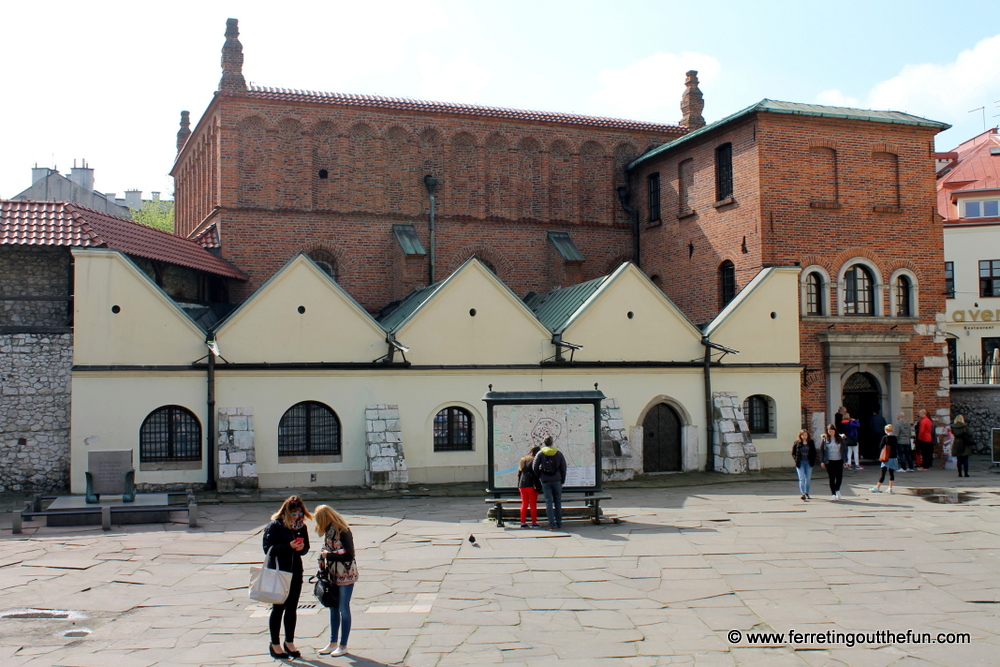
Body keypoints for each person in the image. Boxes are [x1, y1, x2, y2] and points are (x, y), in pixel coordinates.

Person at [263, 496, 311, 660]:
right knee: (278, 608)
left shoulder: (301, 527)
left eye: (300, 513)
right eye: (294, 513)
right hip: (278, 571)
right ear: (286, 512)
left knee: (292, 608)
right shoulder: (275, 526)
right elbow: (268, 548)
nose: (298, 516)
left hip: (295, 570)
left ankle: (289, 642)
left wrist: (301, 548)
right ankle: (274, 644)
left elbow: (306, 549)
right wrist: (288, 546)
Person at [314, 505, 359, 657]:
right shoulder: (329, 531)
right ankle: (332, 642)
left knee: (343, 608)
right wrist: (322, 559)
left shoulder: (343, 531)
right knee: (332, 607)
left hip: (346, 574)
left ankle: (343, 645)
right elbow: (325, 549)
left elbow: (350, 555)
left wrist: (329, 556)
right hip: (332, 574)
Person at [533, 436, 567, 530]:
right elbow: (563, 468)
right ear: (552, 443)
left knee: (548, 502)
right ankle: (559, 523)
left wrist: (540, 476)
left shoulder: (540, 453)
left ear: (544, 443)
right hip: (557, 480)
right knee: (558, 502)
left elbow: (535, 466)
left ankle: (551, 525)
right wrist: (562, 480)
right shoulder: (559, 453)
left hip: (545, 480)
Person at [517, 445, 542, 528]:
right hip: (531, 485)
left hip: (522, 485)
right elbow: (535, 474)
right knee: (533, 504)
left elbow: (519, 473)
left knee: (524, 503)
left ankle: (522, 522)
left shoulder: (523, 460)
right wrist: (539, 485)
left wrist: (519, 485)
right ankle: (534, 522)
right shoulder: (535, 460)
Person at [870, 424, 898, 493]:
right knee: (891, 473)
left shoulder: (885, 438)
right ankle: (890, 488)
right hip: (893, 456)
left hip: (886, 457)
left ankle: (877, 487)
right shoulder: (895, 438)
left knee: (883, 473)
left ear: (886, 430)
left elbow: (881, 446)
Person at [820, 424, 845, 501]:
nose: (831, 433)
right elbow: (822, 451)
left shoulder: (840, 439)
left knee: (839, 477)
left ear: (835, 431)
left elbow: (844, 450)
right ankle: (833, 493)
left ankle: (837, 489)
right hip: (829, 461)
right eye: (829, 431)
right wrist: (822, 461)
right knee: (831, 477)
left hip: (839, 460)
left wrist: (846, 460)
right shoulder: (825, 439)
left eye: (832, 431)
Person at [792, 429, 817, 501]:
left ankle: (807, 492)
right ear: (800, 436)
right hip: (800, 463)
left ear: (807, 436)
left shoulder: (811, 443)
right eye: (803, 435)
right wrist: (796, 459)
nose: (804, 437)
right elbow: (793, 453)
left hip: (808, 462)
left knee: (808, 478)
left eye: (805, 435)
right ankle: (802, 493)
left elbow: (814, 452)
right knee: (801, 478)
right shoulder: (797, 443)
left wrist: (813, 460)